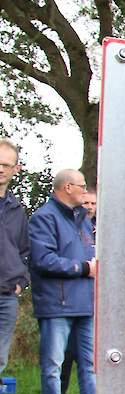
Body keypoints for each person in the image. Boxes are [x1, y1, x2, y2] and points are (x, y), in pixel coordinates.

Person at [28, 168, 96, 394]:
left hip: (85, 304)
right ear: (67, 187)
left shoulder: (82, 221)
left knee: (90, 366)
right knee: (53, 366)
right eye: (81, 186)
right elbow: (43, 260)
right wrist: (83, 268)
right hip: (57, 304)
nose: (84, 190)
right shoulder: (43, 219)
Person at [61, 190, 96, 394]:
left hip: (94, 301)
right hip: (69, 298)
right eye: (86, 202)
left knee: (89, 358)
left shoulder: (101, 229)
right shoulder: (70, 227)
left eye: (93, 203)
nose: (89, 206)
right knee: (64, 355)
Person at [0, 140, 29, 378]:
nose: (1, 169)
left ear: (15, 169)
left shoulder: (17, 210)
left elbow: (24, 251)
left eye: (6, 165)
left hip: (7, 294)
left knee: (0, 357)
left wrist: (22, 281)